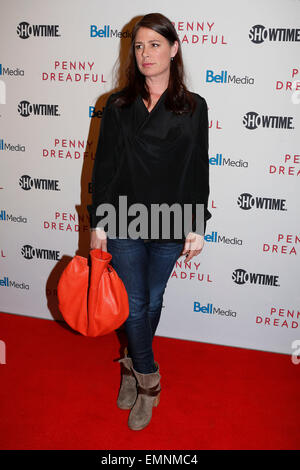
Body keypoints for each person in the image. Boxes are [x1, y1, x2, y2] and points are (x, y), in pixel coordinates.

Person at [87, 12, 211, 431]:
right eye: (139, 46)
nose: (145, 53)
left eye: (155, 44)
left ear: (174, 49)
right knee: (135, 304)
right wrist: (99, 222)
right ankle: (149, 381)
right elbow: (103, 168)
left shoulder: (194, 107)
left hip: (171, 222)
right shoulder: (117, 105)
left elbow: (199, 167)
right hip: (123, 218)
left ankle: (128, 365)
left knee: (151, 303)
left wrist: (197, 224)